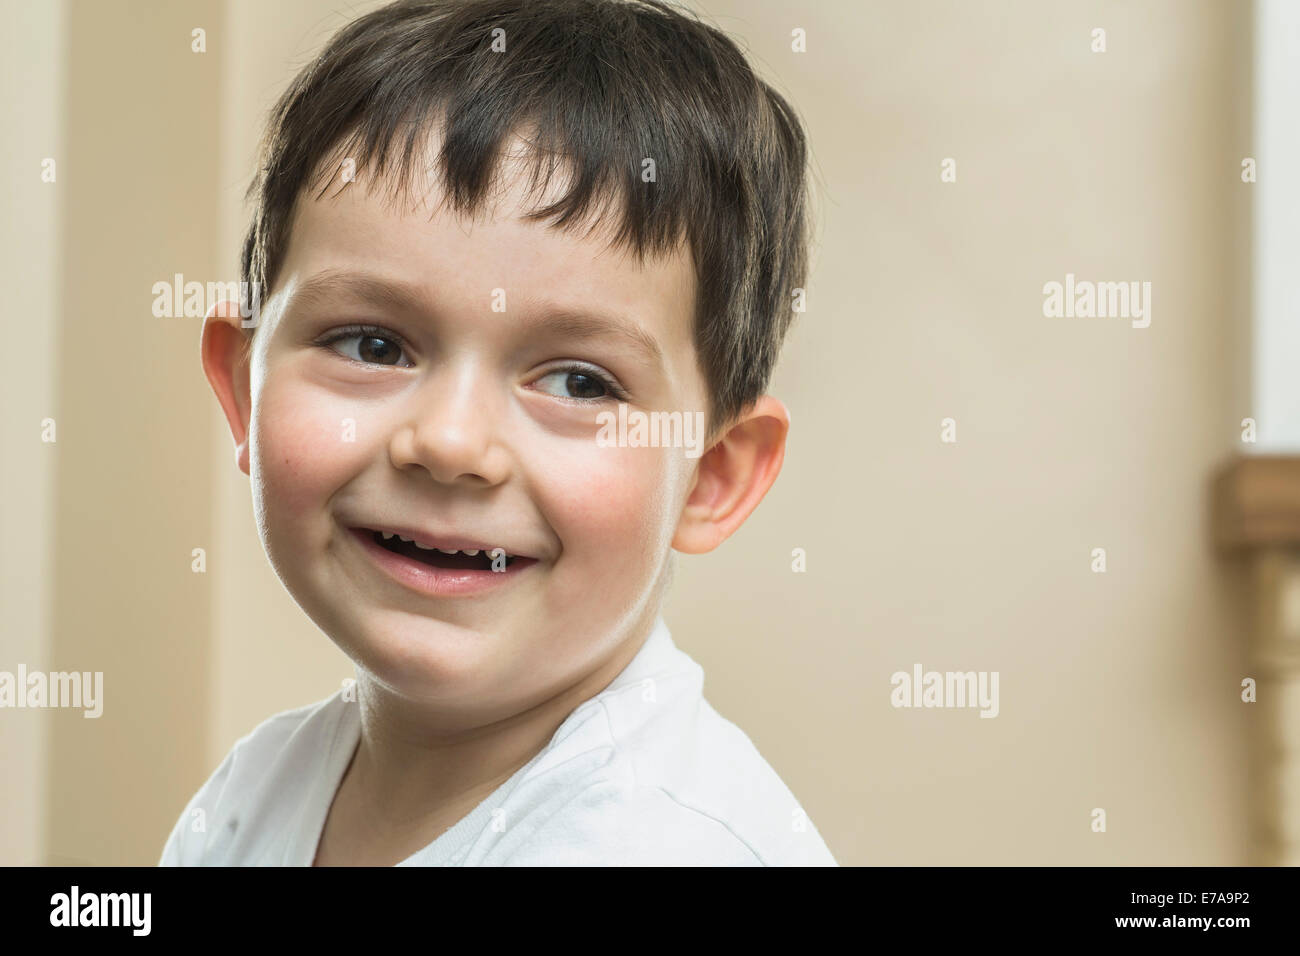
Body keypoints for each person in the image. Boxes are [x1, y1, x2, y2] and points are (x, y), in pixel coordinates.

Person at [160, 0, 835, 866]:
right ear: (245, 391)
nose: (448, 443)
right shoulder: (250, 799)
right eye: (374, 345)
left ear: (710, 477)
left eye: (577, 382)